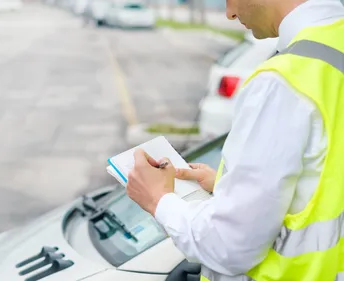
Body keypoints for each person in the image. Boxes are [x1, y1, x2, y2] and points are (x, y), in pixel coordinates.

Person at [126, 0, 344, 280]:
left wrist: (158, 199)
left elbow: (228, 246)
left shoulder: (283, 82)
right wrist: (229, 187)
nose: (229, 13)